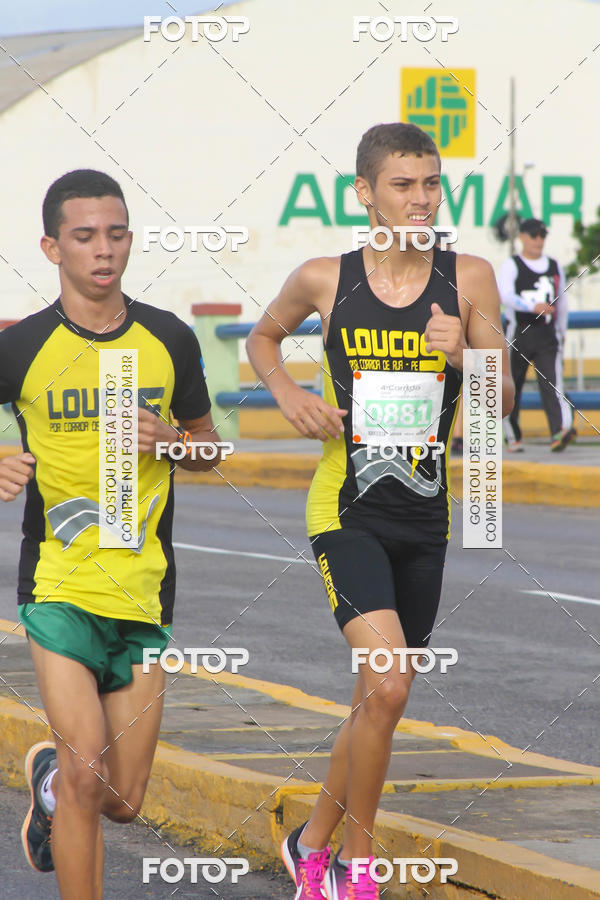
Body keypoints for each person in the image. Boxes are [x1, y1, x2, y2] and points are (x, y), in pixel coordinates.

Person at [247, 123, 514, 900]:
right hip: (346, 508)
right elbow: (264, 339)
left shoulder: (470, 279)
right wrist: (290, 392)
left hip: (424, 516)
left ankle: (311, 842)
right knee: (390, 686)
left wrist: (466, 355)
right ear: (365, 192)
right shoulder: (324, 278)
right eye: (403, 184)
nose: (421, 198)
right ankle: (356, 873)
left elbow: (501, 400)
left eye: (431, 183)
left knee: (375, 702)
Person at [0, 169, 218, 900]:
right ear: (51, 247)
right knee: (92, 771)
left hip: (143, 589)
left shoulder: (169, 338)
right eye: (85, 236)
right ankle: (70, 778)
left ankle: (50, 781)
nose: (104, 250)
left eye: (116, 234)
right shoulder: (22, 345)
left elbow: (211, 448)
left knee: (122, 799)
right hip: (58, 584)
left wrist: (173, 443)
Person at [498, 218, 574, 452]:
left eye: (542, 235)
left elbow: (562, 301)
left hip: (547, 334)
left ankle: (560, 432)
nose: (538, 240)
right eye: (533, 235)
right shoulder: (512, 264)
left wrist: (561, 331)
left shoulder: (554, 265)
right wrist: (532, 306)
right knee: (513, 386)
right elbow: (505, 295)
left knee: (552, 383)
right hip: (519, 332)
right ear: (522, 237)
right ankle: (512, 436)